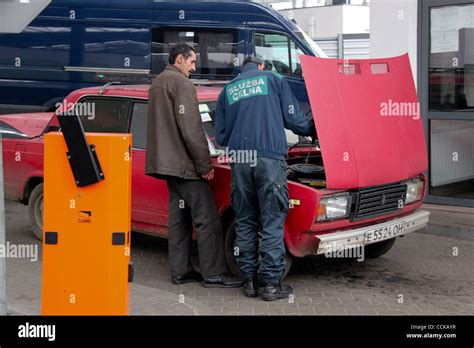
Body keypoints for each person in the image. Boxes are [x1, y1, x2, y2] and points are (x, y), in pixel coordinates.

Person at [215, 56, 315, 301]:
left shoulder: (227, 90)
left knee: (245, 220)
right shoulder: (273, 79)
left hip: (240, 161)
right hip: (269, 160)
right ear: (261, 66)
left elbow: (221, 136)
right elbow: (294, 120)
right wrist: (313, 129)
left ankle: (248, 281)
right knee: (271, 220)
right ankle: (271, 284)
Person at [145, 43, 242, 288]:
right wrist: (203, 164)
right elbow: (192, 129)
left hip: (165, 163)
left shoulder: (158, 82)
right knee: (207, 218)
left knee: (178, 218)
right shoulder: (182, 84)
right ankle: (214, 274)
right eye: (192, 61)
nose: (194, 66)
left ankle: (181, 272)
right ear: (180, 59)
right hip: (183, 164)